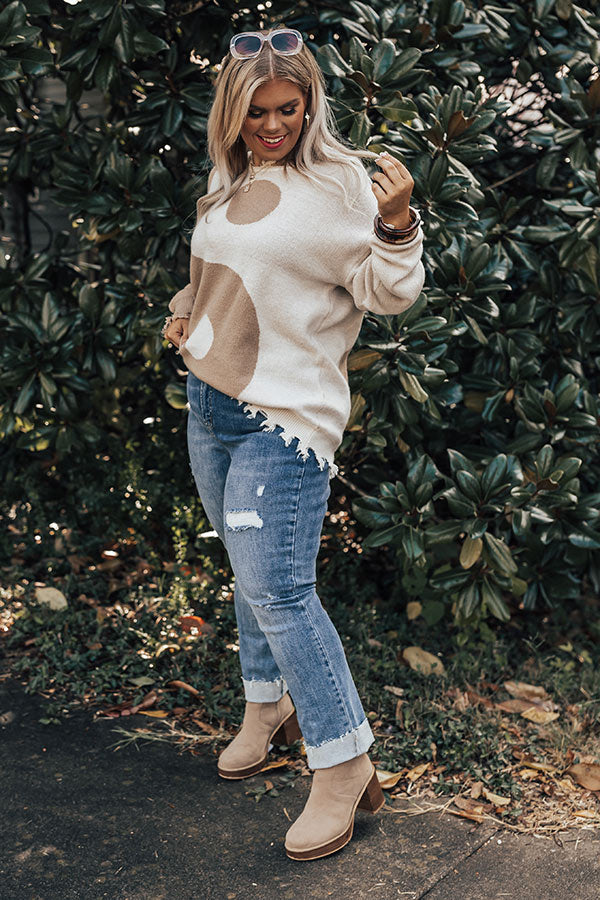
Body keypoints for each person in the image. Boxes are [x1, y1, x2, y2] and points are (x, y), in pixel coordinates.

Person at [162, 25, 425, 862]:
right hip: (211, 403)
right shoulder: (230, 174)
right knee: (249, 574)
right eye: (257, 112)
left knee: (278, 589)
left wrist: (398, 223)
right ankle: (265, 704)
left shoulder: (342, 182)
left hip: (286, 420)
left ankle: (343, 760)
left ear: (310, 104)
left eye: (289, 108)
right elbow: (220, 269)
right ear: (232, 114)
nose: (273, 125)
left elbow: (387, 293)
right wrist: (186, 311)